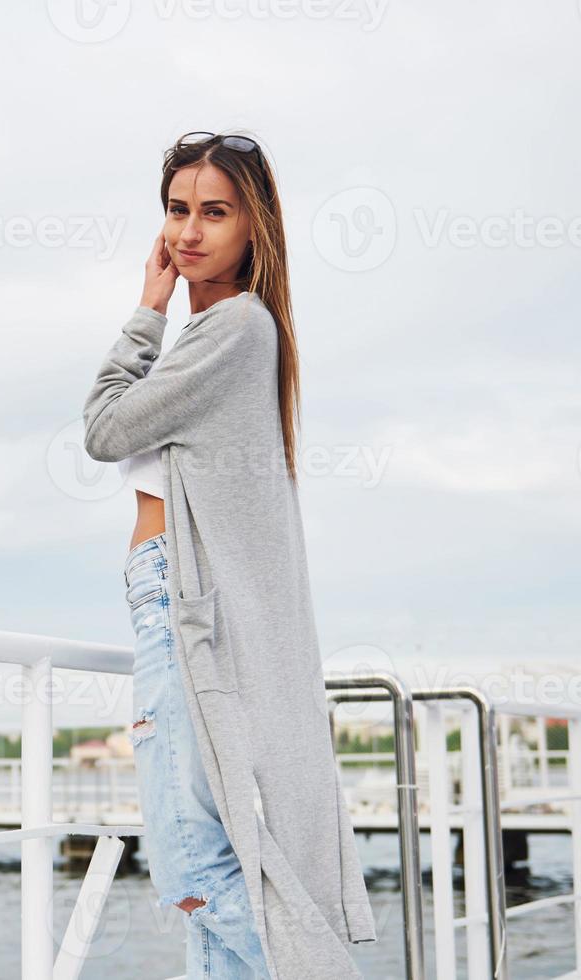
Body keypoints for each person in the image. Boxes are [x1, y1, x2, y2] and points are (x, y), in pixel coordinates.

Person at [82, 131, 376, 979]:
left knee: (188, 867)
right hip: (175, 600)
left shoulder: (235, 328)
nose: (190, 233)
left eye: (216, 212)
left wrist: (146, 310)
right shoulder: (228, 334)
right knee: (207, 868)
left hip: (180, 604)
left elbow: (105, 428)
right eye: (178, 210)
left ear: (256, 228)